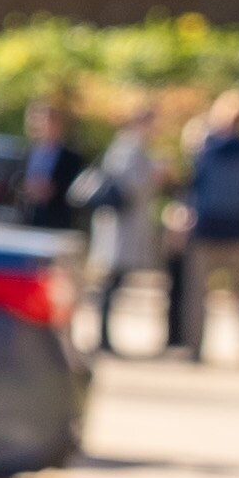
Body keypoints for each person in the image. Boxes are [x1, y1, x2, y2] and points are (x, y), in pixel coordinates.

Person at [168, 92, 239, 363]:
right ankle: (200, 346)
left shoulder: (215, 150)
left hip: (225, 227)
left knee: (227, 294)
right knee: (210, 295)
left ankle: (207, 347)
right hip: (219, 227)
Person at [72, 100, 172, 355]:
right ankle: (101, 336)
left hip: (127, 225)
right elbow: (130, 186)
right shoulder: (128, 148)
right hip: (121, 225)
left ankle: (104, 335)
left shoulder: (135, 147)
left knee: (114, 282)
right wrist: (154, 175)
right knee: (110, 282)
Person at [7, 92, 89, 230]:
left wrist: (52, 189)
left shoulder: (71, 157)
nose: (46, 125)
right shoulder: (27, 151)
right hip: (27, 219)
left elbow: (78, 189)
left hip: (56, 221)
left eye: (51, 120)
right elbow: (13, 179)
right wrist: (27, 187)